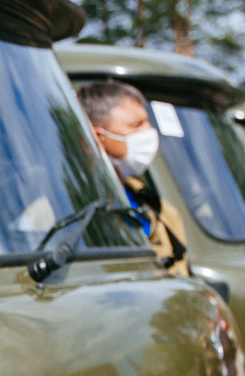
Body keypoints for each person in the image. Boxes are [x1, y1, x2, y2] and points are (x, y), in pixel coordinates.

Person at [76, 79, 190, 276]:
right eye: (136, 125)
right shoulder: (63, 208)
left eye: (147, 122)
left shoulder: (162, 212)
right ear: (97, 136)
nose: (149, 132)